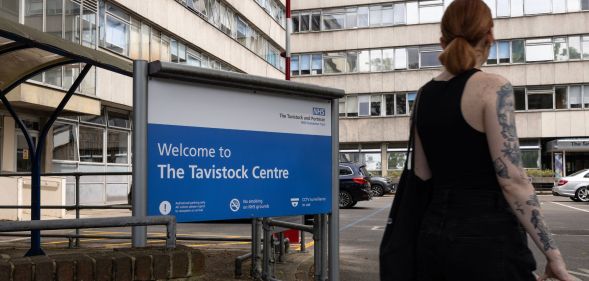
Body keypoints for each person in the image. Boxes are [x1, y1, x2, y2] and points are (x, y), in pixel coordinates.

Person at [412, 1, 573, 280]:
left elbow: (421, 173)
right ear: (490, 37)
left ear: (442, 41)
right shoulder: (493, 88)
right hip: (488, 241)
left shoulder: (424, 95)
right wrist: (553, 255)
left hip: (434, 237)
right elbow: (512, 180)